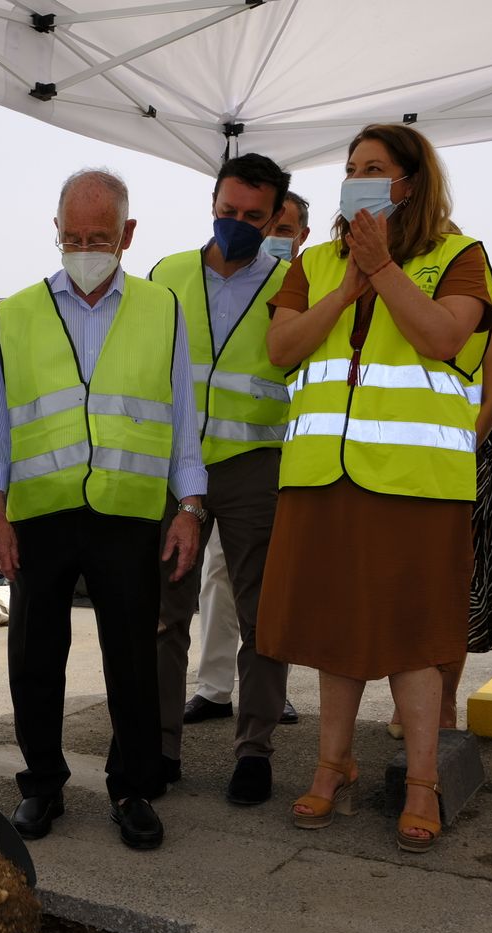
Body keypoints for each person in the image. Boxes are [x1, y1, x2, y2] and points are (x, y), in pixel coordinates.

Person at [260, 123, 492, 853]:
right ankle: (333, 765)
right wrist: (349, 286)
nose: (359, 179)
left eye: (375, 168)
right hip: (323, 475)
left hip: (416, 484)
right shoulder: (315, 262)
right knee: (334, 629)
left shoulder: (461, 256)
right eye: (351, 167)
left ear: (411, 183)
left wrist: (386, 271)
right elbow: (282, 350)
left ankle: (422, 779)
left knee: (413, 637)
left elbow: (441, 338)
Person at [0, 168, 206, 851]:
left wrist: (190, 506)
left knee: (133, 657)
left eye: (99, 237)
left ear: (127, 235)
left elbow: (181, 416)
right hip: (41, 512)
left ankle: (133, 787)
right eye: (72, 236)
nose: (84, 248)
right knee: (34, 656)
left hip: (128, 511)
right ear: (56, 232)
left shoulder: (162, 309)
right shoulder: (17, 313)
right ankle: (42, 783)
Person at [151, 158, 296, 807]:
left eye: (253, 217)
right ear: (212, 202)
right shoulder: (167, 274)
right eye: (227, 211)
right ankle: (158, 748)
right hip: (174, 463)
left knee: (262, 614)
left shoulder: (294, 285)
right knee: (163, 611)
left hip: (254, 465)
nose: (236, 225)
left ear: (276, 219)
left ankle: (254, 751)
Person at [179, 189, 312, 735]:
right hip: (196, 458)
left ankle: (266, 700)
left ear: (301, 235)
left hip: (267, 458)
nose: (273, 234)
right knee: (213, 575)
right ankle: (212, 686)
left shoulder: (306, 287)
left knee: (265, 589)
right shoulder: (181, 274)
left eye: (284, 227)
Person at [390, 312, 492, 736]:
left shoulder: (489, 319)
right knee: (403, 587)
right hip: (394, 464)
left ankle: (443, 698)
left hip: (463, 464)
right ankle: (405, 700)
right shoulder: (394, 305)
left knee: (455, 587)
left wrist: (457, 455)